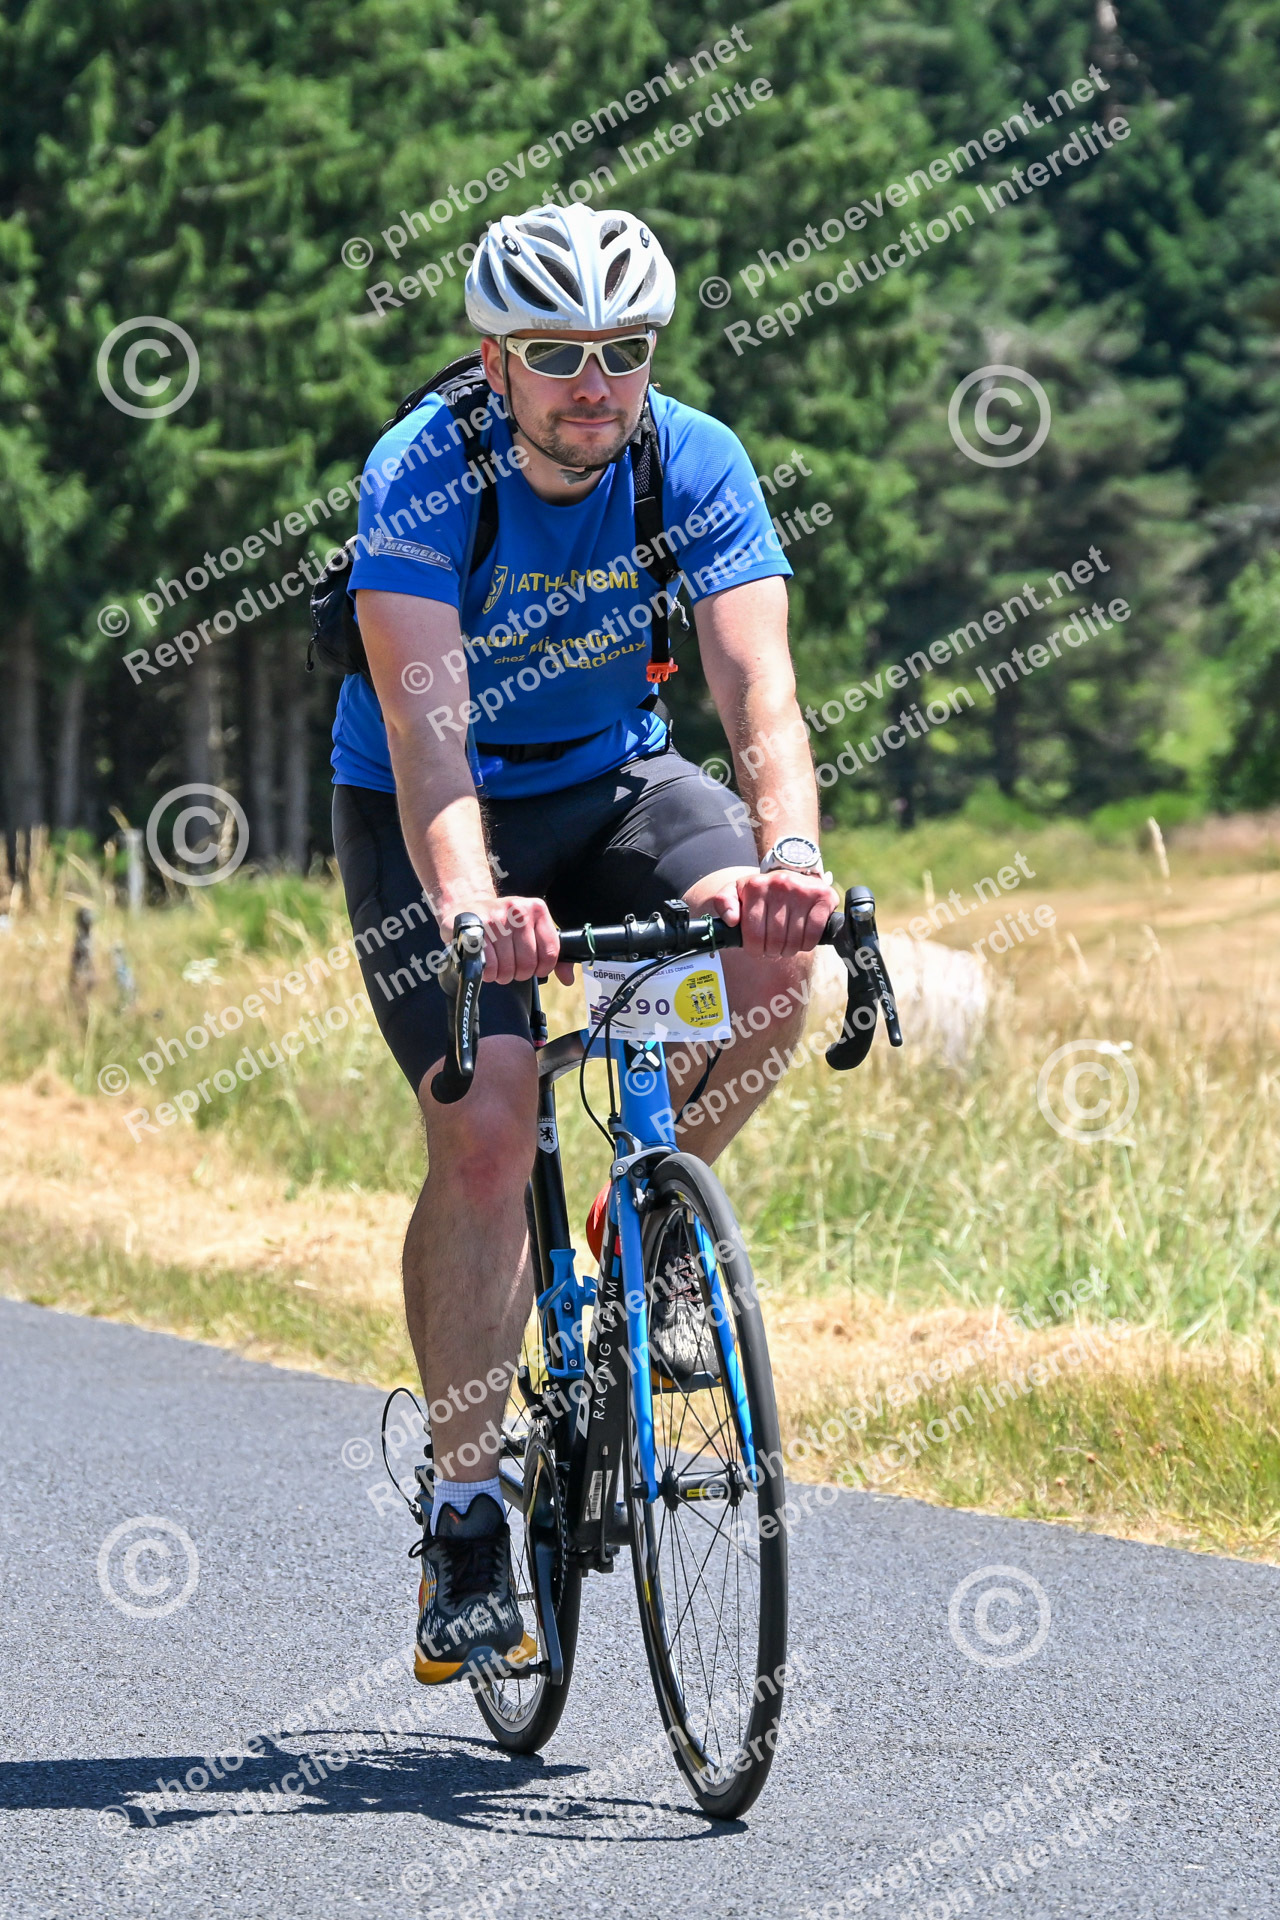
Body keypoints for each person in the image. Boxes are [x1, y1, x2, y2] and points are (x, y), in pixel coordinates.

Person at [331, 203, 837, 1684]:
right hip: (435, 806)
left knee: (779, 961)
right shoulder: (424, 474)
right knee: (490, 1125)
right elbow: (429, 748)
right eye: (555, 353)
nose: (593, 383)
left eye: (624, 350)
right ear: (495, 362)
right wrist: (473, 908)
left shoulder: (695, 460)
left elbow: (759, 697)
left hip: (617, 779)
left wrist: (790, 860)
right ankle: (467, 1512)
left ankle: (646, 1231)